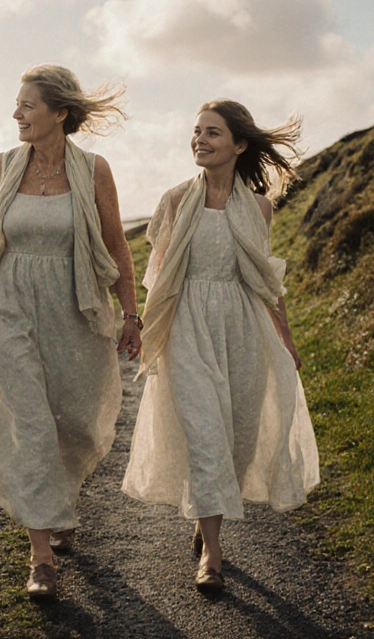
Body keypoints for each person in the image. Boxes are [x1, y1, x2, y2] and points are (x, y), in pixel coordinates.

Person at [0, 64, 140, 602]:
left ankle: (60, 497)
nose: (16, 114)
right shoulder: (2, 166)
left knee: (73, 419)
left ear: (60, 113)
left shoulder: (93, 170)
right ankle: (41, 555)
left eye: (27, 105)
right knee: (27, 421)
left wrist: (130, 314)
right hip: (6, 306)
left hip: (73, 305)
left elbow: (118, 246)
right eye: (17, 104)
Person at [121, 99, 320, 594]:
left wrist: (286, 339)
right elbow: (160, 277)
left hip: (243, 326)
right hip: (189, 326)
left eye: (212, 133)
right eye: (196, 132)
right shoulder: (173, 201)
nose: (200, 140)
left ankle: (205, 520)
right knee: (205, 435)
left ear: (239, 144)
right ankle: (212, 554)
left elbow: (265, 279)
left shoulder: (258, 207)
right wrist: (149, 329)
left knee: (237, 438)